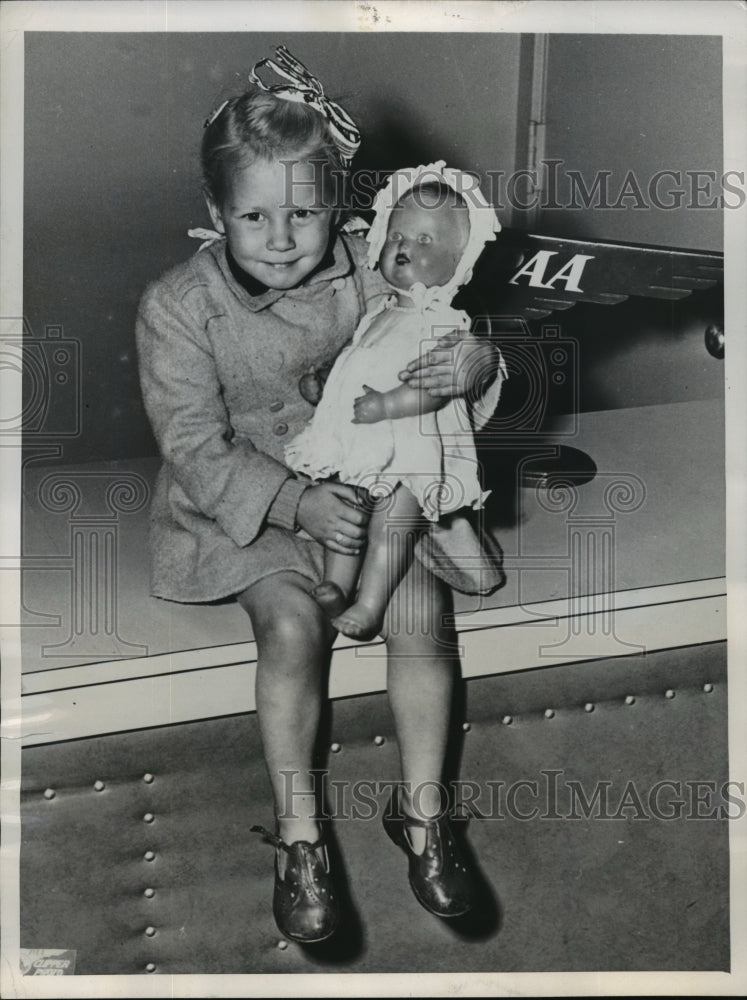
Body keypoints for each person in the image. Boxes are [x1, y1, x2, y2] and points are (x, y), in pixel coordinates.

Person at [136, 45, 506, 945]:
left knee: (423, 620)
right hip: (250, 511)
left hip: (373, 493)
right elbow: (192, 443)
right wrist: (292, 503)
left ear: (339, 207)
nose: (280, 236)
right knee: (294, 629)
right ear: (215, 210)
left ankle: (423, 816)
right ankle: (299, 836)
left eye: (304, 211)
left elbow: (442, 357)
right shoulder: (178, 306)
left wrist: (479, 361)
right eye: (253, 214)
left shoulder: (373, 267)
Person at [286, 162, 508, 643]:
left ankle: (370, 604)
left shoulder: (445, 325)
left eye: (425, 241)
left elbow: (430, 389)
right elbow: (360, 361)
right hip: (364, 448)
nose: (405, 246)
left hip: (414, 456)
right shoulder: (381, 313)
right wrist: (326, 384)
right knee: (344, 518)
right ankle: (335, 585)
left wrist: (386, 406)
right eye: (397, 236)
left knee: (391, 526)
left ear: (460, 261)